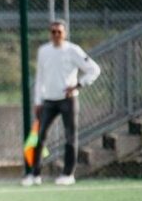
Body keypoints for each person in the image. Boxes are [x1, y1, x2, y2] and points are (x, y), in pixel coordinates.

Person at [23, 19, 101, 187]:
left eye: (59, 32)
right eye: (53, 32)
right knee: (40, 136)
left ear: (64, 33)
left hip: (68, 100)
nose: (56, 35)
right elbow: (40, 77)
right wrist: (38, 101)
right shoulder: (43, 51)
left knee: (70, 136)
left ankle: (68, 174)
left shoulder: (73, 50)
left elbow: (94, 69)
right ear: (50, 34)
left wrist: (79, 84)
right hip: (48, 101)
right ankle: (34, 174)